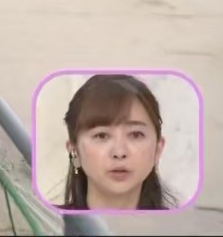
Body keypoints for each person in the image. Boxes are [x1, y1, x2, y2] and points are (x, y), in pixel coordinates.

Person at [60, 74, 175, 211]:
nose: (119, 152)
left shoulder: (180, 223)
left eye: (135, 134)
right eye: (101, 136)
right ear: (74, 151)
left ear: (158, 149)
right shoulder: (49, 221)